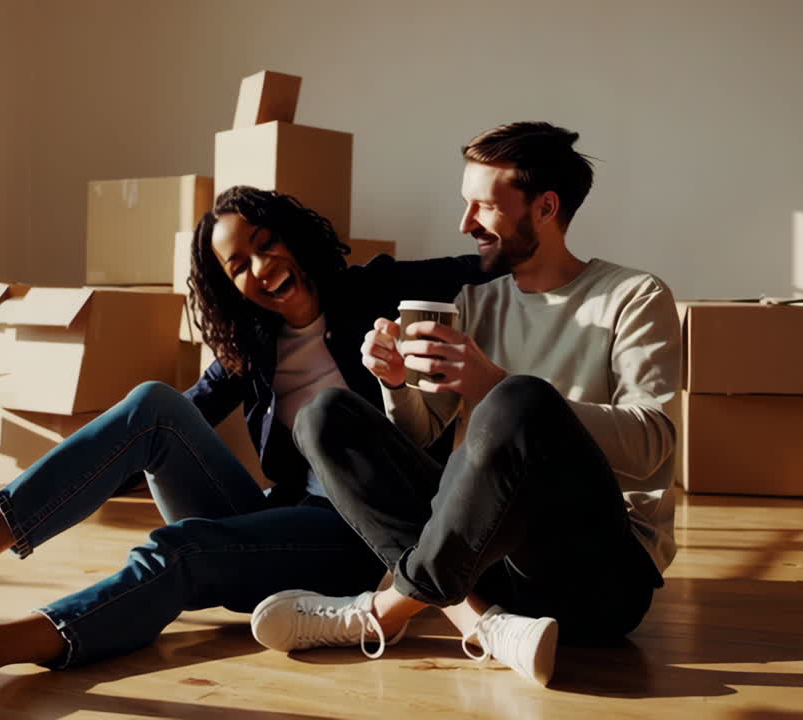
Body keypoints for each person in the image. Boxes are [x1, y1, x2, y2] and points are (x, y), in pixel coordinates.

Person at [0, 185, 498, 695]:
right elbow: (159, 426)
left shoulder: (379, 291)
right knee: (151, 405)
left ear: (291, 233)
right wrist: (92, 467)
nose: (259, 267)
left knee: (181, 549)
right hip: (281, 515)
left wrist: (512, 226)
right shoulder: (251, 344)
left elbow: (496, 265)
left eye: (263, 242)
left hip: (356, 540)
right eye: (236, 266)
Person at [249, 122, 681, 689]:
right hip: (485, 562)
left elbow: (653, 448)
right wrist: (397, 383)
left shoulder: (635, 297)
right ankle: (484, 621)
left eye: (483, 206)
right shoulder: (475, 303)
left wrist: (497, 384)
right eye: (465, 204)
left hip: (598, 577)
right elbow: (423, 435)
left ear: (546, 207)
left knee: (520, 398)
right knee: (325, 415)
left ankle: (381, 612)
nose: (465, 224)